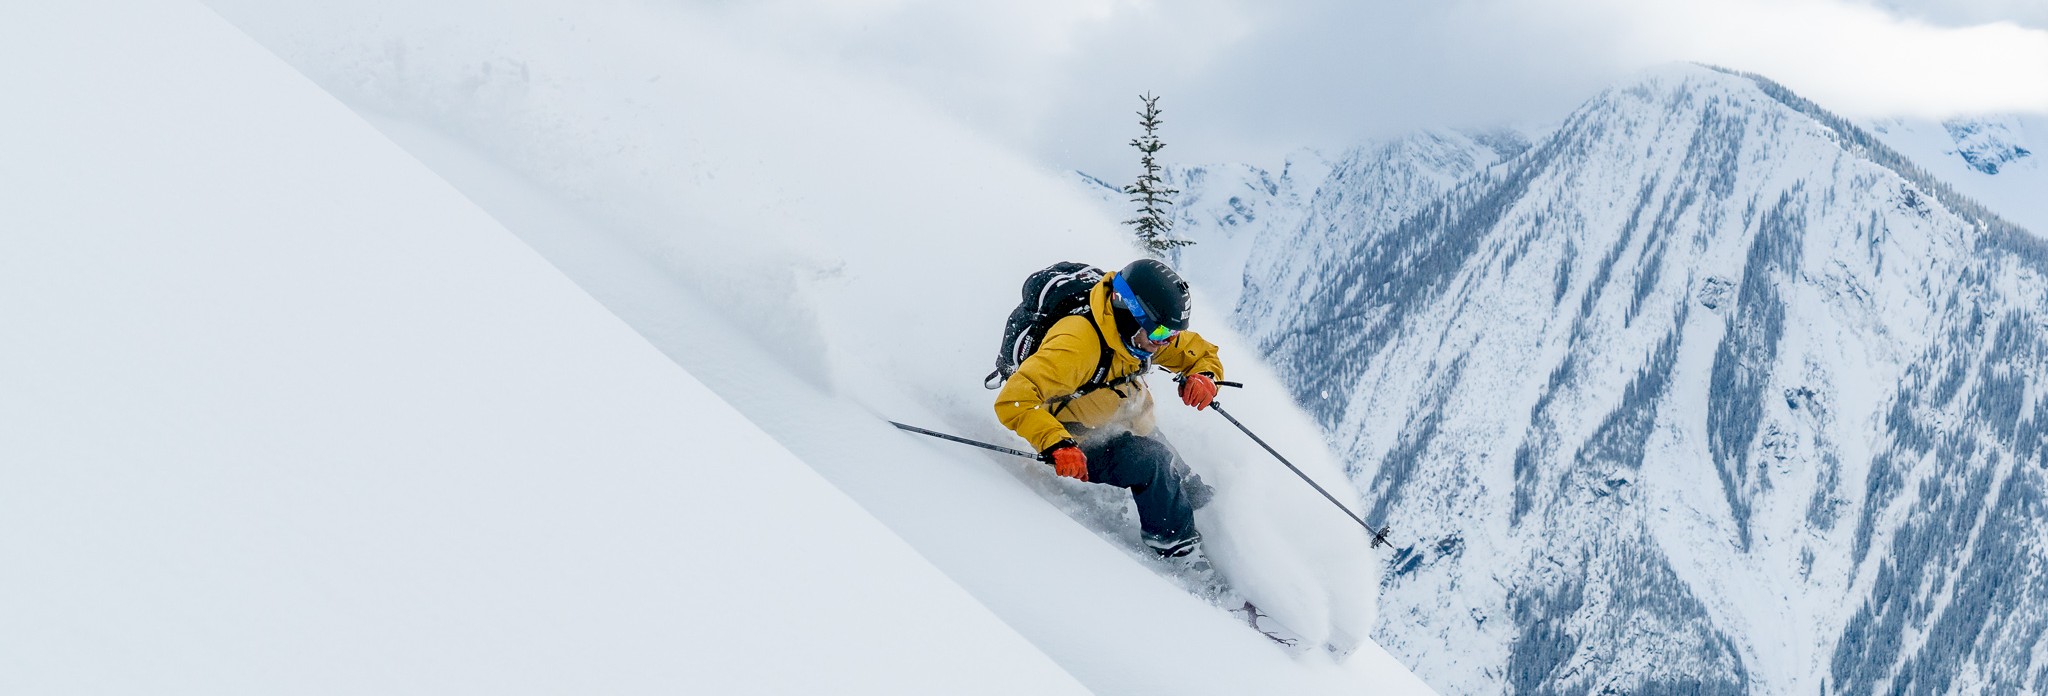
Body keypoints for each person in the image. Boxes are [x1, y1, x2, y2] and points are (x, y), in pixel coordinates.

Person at [994, 258, 1223, 557]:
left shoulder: (1147, 335)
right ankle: (1179, 552)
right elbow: (1014, 399)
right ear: (1131, 315)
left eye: (1173, 334)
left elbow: (1200, 352)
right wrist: (1056, 443)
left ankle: (1215, 529)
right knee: (1153, 463)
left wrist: (1205, 377)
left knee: (1185, 480)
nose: (1166, 342)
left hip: (1126, 418)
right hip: (1077, 438)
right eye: (1159, 334)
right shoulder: (1076, 345)